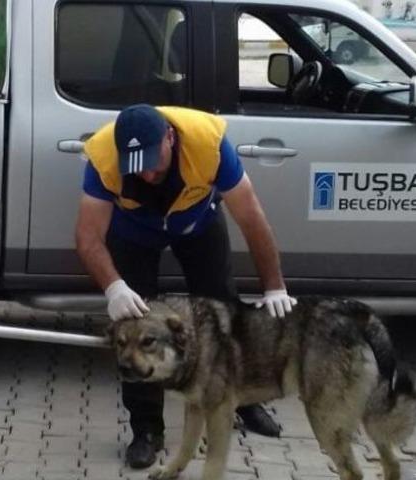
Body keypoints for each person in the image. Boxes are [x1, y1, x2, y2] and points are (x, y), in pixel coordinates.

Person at [75, 104, 296, 469]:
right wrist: (114, 287)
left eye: (152, 159)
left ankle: (244, 401)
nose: (146, 173)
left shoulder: (208, 143)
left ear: (170, 138)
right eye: (136, 164)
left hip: (198, 223)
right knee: (136, 327)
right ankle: (146, 429)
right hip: (134, 233)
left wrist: (274, 286)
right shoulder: (103, 156)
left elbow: (252, 219)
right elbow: (87, 236)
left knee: (224, 310)